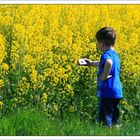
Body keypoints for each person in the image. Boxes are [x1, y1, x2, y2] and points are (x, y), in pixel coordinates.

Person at [78, 27, 123, 127]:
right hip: (117, 91)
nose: (97, 45)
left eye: (98, 43)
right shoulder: (115, 54)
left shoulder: (105, 55)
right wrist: (91, 63)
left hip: (107, 91)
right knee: (114, 117)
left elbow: (108, 62)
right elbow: (104, 63)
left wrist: (104, 76)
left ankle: (106, 134)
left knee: (105, 118)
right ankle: (115, 133)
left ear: (102, 43)